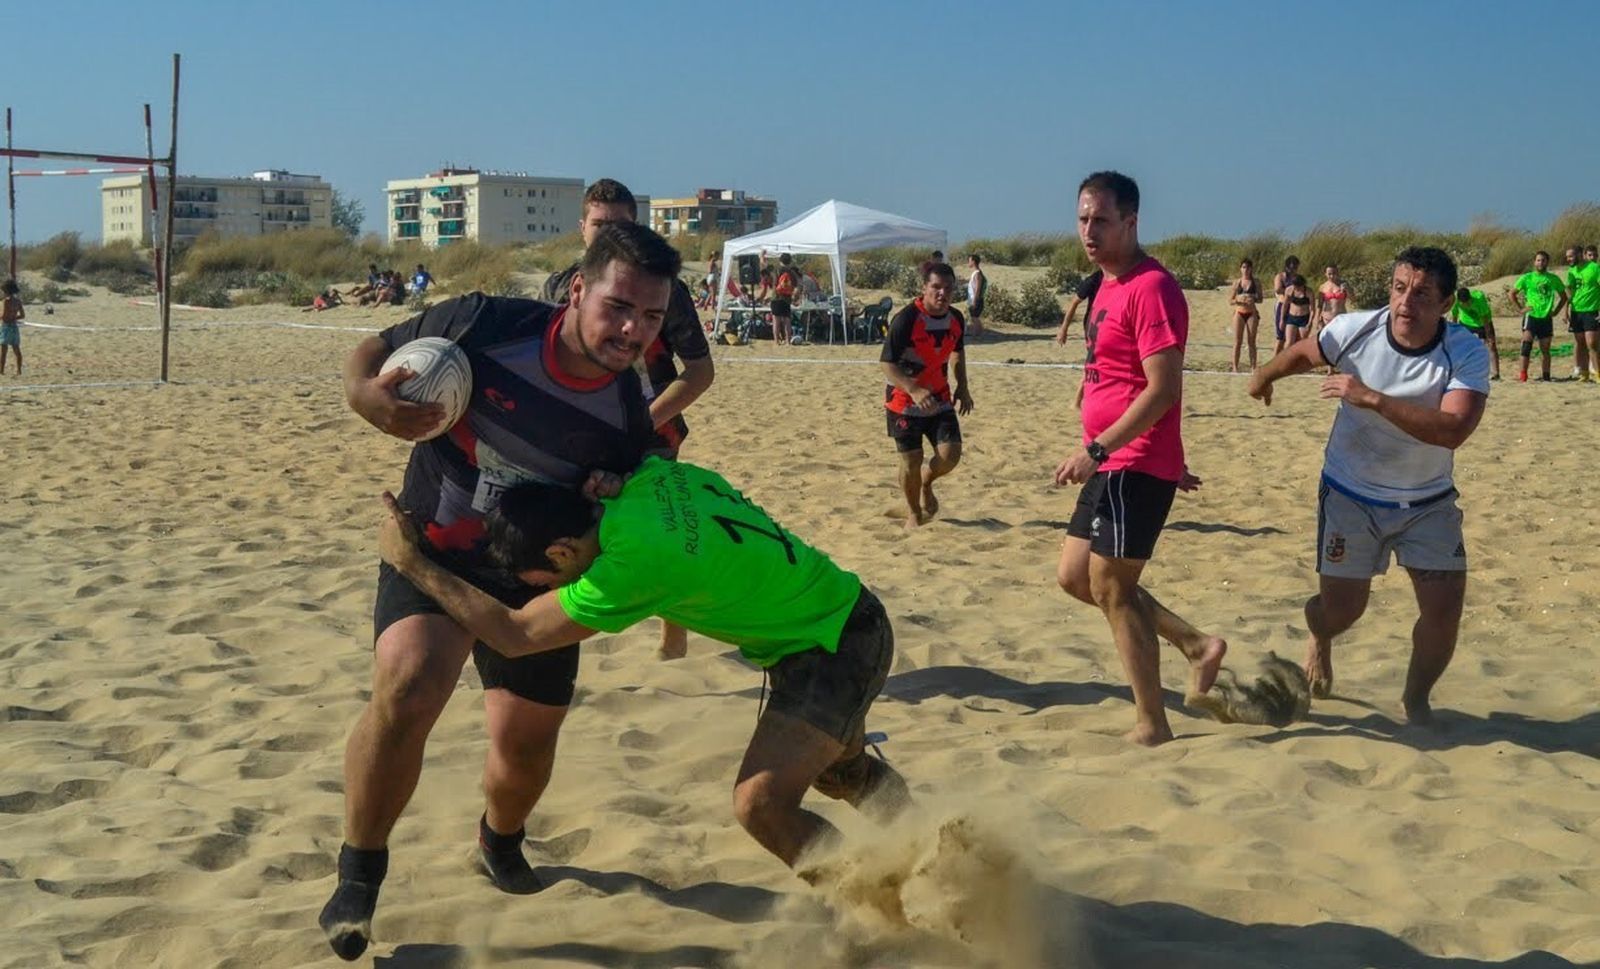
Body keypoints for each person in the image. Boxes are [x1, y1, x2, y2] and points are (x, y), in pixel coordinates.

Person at [319, 222, 680, 962]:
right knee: (412, 681)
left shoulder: (625, 417)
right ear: (577, 289)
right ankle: (360, 869)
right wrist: (367, 397)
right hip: (432, 552)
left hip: (534, 582)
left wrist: (611, 495)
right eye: (618, 306)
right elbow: (370, 351)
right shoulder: (485, 323)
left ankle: (501, 838)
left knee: (522, 753)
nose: (632, 330)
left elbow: (641, 514)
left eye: (650, 318)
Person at [374, 456, 911, 871]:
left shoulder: (624, 570)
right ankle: (940, 846)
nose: (547, 593)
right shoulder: (648, 480)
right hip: (845, 611)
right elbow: (667, 480)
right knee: (845, 774)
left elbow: (514, 636)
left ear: (561, 553)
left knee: (761, 804)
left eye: (543, 584)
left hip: (833, 647)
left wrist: (411, 564)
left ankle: (872, 905)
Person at [1246, 246, 1489, 722]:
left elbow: (1454, 430)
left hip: (1428, 501)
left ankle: (1416, 702)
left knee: (1443, 611)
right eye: (1399, 289)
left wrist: (1373, 399)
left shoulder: (1463, 350)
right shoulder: (1356, 328)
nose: (1405, 303)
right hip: (1350, 494)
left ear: (1445, 304)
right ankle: (1319, 637)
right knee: (1341, 612)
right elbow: (1307, 351)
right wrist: (1263, 376)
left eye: (1421, 295)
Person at [1052, 172, 1226, 746]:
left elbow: (1163, 387)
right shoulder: (1105, 284)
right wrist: (1089, 386)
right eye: (1082, 219)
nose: (1088, 231)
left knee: (1111, 586)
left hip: (1131, 458)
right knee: (1076, 577)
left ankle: (1152, 723)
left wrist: (1100, 448)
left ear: (1131, 222)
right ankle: (1195, 644)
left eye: (1100, 220)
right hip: (1114, 459)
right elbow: (1115, 363)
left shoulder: (1152, 287)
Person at [543, 178, 714, 660]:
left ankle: (673, 631)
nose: (610, 235)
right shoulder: (558, 286)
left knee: (660, 532)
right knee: (569, 535)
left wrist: (640, 426)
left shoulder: (667, 291)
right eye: (600, 226)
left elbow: (701, 372)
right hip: (577, 432)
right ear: (582, 228)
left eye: (621, 226)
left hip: (652, 432)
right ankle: (552, 641)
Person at [881, 261, 974, 529]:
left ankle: (927, 481)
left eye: (948, 288)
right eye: (936, 287)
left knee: (950, 456)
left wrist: (963, 386)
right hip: (903, 403)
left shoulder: (955, 318)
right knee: (911, 461)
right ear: (924, 288)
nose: (942, 293)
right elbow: (887, 363)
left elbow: (957, 351)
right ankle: (913, 513)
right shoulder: (907, 319)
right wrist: (913, 388)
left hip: (939, 398)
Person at [1510, 250, 1567, 382]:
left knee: (1545, 349)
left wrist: (1556, 311)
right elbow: (1512, 293)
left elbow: (1564, 297)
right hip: (1531, 316)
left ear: (1547, 262)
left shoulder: (1553, 279)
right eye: (1538, 260)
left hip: (1546, 318)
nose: (1540, 263)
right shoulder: (1527, 277)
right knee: (1526, 346)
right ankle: (1523, 375)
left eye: (1543, 260)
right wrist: (1520, 309)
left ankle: (1546, 376)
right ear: (1534, 262)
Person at [1564, 245, 1600, 382]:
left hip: (1591, 311)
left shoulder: (1594, 268)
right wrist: (1566, 311)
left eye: (1571, 256)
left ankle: (1597, 373)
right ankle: (1584, 373)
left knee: (1592, 343)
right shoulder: (1571, 271)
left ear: (1580, 254)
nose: (1569, 259)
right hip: (1576, 312)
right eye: (1567, 257)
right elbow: (1569, 289)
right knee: (1581, 343)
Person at [1451, 286, 1502, 381]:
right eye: (1463, 303)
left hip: (1482, 323)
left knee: (1491, 345)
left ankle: (1496, 373)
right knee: (1461, 347)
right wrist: (1453, 332)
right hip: (1465, 323)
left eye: (1467, 302)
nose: (1465, 305)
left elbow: (1485, 320)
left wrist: (1488, 336)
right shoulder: (1455, 300)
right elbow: (1454, 316)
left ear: (1470, 298)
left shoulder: (1479, 300)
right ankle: (1461, 371)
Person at [1228, 259, 1262, 372]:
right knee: (1237, 341)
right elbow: (1230, 300)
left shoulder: (1256, 282)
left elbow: (1261, 299)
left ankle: (1253, 366)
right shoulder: (1237, 282)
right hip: (1239, 312)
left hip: (1251, 313)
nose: (1246, 270)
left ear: (1251, 269)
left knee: (1251, 341)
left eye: (1248, 267)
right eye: (1243, 267)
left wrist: (1253, 298)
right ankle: (1235, 367)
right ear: (1240, 269)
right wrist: (1238, 299)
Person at [1055, 269, 1103, 344]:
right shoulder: (1094, 280)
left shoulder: (1124, 279)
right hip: (1094, 324)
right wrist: (1063, 329)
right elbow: (1074, 302)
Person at [1272, 255, 1302, 355]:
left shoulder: (1297, 278)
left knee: (1294, 336)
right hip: (1281, 305)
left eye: (1295, 267)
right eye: (1291, 267)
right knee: (1280, 336)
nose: (1293, 270)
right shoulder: (1280, 276)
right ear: (1287, 266)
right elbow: (1278, 289)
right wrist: (1290, 291)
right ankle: (1275, 361)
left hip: (1294, 307)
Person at [771, 253, 801, 345]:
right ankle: (788, 341)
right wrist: (794, 298)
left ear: (780, 261)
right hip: (786, 299)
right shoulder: (792, 273)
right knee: (787, 320)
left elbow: (775, 283)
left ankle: (776, 341)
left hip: (776, 297)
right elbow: (797, 287)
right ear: (790, 261)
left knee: (776, 320)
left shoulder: (777, 270)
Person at [1315, 264, 1350, 336]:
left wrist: (1348, 290)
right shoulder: (1323, 287)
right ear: (1325, 274)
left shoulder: (1344, 284)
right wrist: (1318, 318)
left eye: (1334, 273)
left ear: (1337, 273)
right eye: (1329, 274)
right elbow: (1320, 305)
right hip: (1327, 318)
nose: (1332, 276)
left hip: (1341, 318)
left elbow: (1354, 299)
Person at [1281, 273, 1314, 347]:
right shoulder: (1289, 290)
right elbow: (1285, 305)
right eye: (1296, 287)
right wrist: (1282, 319)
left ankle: (1301, 358)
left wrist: (1310, 323)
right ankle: (1288, 358)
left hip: (1304, 318)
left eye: (1299, 287)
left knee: (1302, 342)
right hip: (1292, 317)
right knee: (1289, 342)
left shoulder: (1309, 292)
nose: (1298, 289)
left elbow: (1312, 309)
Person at [1, 279, 23, 375]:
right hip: (14, 326)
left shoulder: (5, 301)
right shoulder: (18, 301)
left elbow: (4, 316)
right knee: (16, 349)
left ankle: (1, 370)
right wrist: (14, 317)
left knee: (3, 351)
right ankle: (19, 370)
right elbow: (22, 315)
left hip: (6, 327)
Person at [966, 254, 987, 337]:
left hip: (976, 299)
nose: (968, 263)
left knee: (974, 318)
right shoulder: (975, 273)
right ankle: (979, 333)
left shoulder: (978, 273)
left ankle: (976, 334)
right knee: (974, 317)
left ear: (973, 262)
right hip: (973, 298)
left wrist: (975, 300)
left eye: (969, 261)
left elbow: (978, 288)